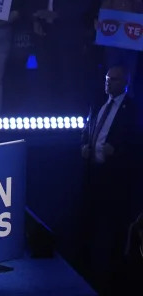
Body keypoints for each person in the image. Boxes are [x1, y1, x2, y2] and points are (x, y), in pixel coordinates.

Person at [80, 67, 139, 293]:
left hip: (115, 178)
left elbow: (136, 140)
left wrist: (119, 151)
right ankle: (84, 262)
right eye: (106, 79)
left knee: (113, 225)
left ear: (124, 82)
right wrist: (84, 145)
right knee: (88, 220)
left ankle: (114, 272)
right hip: (92, 173)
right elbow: (88, 127)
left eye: (113, 80)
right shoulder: (98, 103)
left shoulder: (131, 109)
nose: (108, 83)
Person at [25, 0, 94, 112]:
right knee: (44, 77)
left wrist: (59, 15)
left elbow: (85, 1)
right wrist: (35, 19)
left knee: (69, 77)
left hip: (68, 33)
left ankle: (71, 120)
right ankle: (46, 118)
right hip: (42, 32)